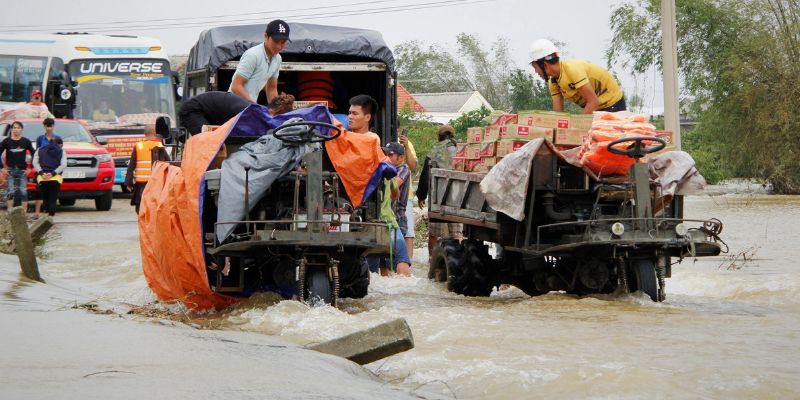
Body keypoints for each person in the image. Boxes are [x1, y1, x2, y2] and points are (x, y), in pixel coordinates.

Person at [528, 39, 626, 114]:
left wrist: (575, 127)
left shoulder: (573, 70)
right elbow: (558, 114)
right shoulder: (553, 82)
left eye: (535, 68)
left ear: (544, 65)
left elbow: (593, 102)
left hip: (613, 104)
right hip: (597, 110)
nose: (536, 72)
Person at [415, 124, 462, 255]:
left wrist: (421, 196)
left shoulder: (435, 150)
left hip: (438, 198)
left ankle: (432, 260)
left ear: (439, 137)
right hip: (460, 198)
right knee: (457, 233)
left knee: (434, 233)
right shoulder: (461, 148)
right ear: (453, 135)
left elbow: (425, 174)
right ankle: (458, 259)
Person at [367, 142, 412, 277]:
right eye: (385, 154)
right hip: (389, 223)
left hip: (378, 224)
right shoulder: (388, 173)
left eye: (390, 154)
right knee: (395, 264)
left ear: (400, 158)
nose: (386, 156)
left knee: (378, 270)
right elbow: (395, 194)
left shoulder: (397, 169)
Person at [229, 19, 290, 104]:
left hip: (249, 106)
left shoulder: (277, 59)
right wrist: (254, 107)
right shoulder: (253, 55)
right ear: (265, 36)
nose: (279, 46)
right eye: (276, 41)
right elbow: (236, 87)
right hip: (234, 105)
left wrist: (277, 111)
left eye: (283, 42)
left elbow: (271, 89)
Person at [124, 125, 164, 214]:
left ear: (145, 134)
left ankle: (142, 224)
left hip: (140, 184)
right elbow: (166, 163)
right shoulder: (160, 145)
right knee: (153, 207)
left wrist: (128, 183)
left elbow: (131, 166)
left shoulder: (139, 146)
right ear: (155, 134)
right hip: (155, 183)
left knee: (141, 207)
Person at [0, 121, 35, 212]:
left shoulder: (25, 141)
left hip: (22, 170)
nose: (16, 129)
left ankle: (24, 214)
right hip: (10, 170)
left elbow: (34, 153)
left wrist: (30, 167)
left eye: (18, 128)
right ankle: (10, 212)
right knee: (10, 192)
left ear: (21, 129)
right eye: (14, 127)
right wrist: (2, 168)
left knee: (23, 192)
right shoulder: (6, 141)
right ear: (11, 129)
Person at [33, 118, 62, 217]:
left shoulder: (57, 138)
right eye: (47, 126)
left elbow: (60, 153)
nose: (49, 128)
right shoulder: (40, 139)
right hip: (42, 169)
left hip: (54, 169)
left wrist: (55, 171)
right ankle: (39, 212)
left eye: (51, 126)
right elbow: (37, 154)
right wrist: (40, 171)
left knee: (53, 193)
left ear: (53, 126)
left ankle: (50, 213)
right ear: (44, 126)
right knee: (40, 192)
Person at [32, 137, 66, 217]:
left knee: (45, 198)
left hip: (42, 178)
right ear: (60, 144)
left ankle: (46, 215)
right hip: (55, 179)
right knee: (53, 199)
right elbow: (63, 164)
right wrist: (53, 173)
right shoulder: (62, 151)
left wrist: (41, 172)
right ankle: (51, 217)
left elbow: (35, 163)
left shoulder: (40, 150)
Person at [398, 131, 418, 258]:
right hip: (384, 195)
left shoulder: (407, 144)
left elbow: (412, 165)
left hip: (405, 194)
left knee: (408, 231)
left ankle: (408, 263)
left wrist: (406, 147)